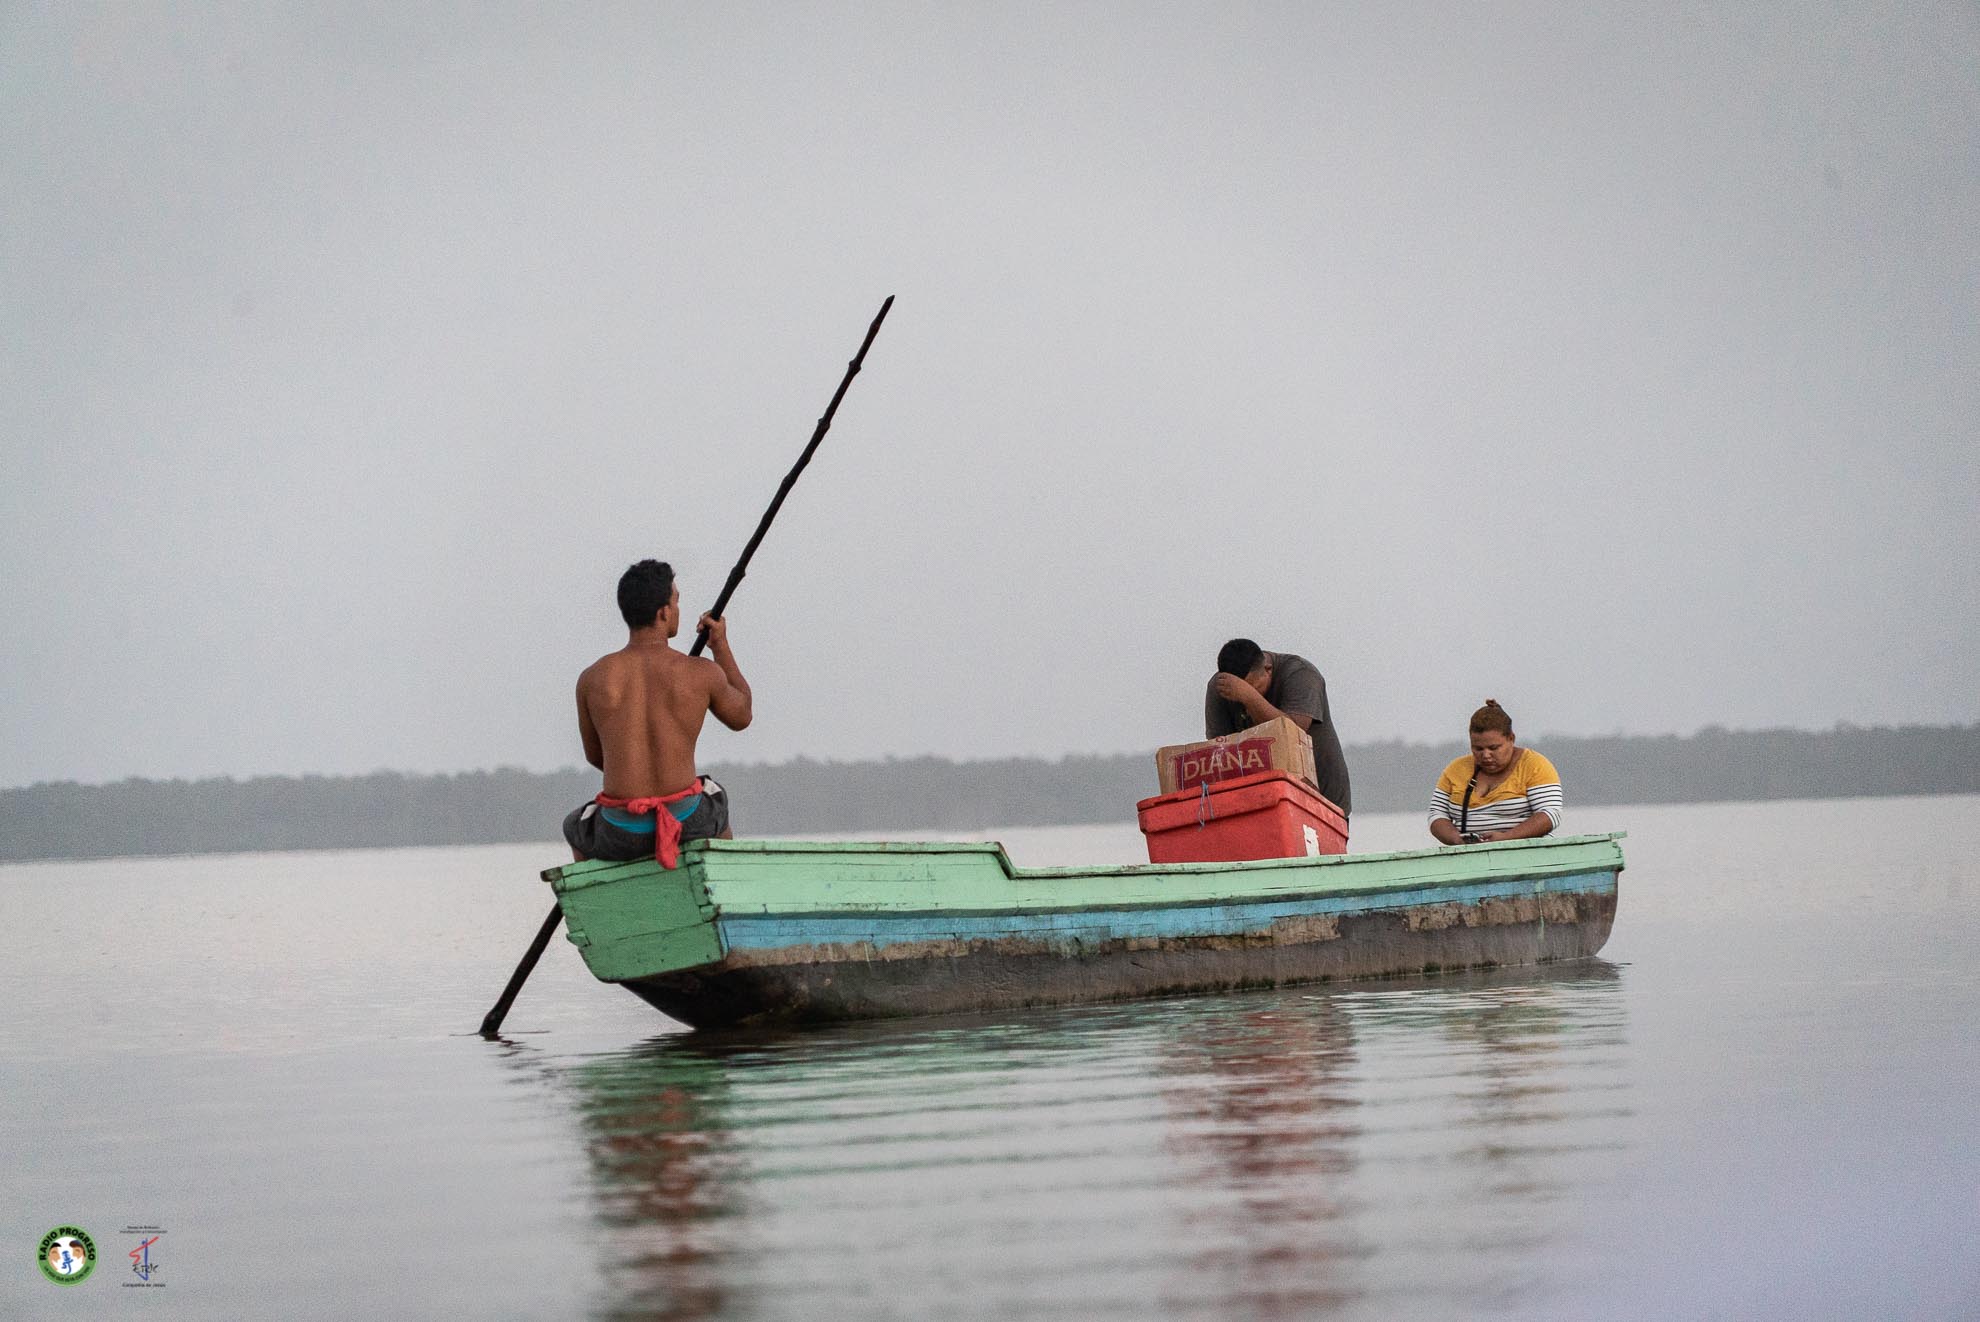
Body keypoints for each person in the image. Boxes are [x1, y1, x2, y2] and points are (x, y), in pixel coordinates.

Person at [562, 559, 752, 868]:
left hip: (620, 829)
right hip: (688, 820)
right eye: (676, 601)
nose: (677, 609)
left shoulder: (593, 678)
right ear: (664, 612)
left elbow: (596, 757)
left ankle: (601, 901)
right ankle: (723, 889)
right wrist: (720, 645)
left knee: (576, 826)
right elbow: (742, 714)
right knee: (717, 802)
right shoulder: (701, 673)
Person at [1204, 638, 1352, 814]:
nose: (1241, 702)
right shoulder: (1221, 688)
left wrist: (1249, 697)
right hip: (1260, 802)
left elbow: (1294, 730)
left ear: (1268, 669)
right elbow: (1219, 748)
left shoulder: (1302, 675)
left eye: (1254, 688)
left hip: (1324, 800)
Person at [1428, 700, 1563, 845]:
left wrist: (1506, 839)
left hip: (1526, 853)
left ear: (1511, 738)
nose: (1486, 755)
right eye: (1478, 749)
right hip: (1468, 856)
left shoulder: (1535, 765)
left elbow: (1550, 814)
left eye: (1493, 748)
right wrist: (1455, 839)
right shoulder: (1455, 769)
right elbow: (1436, 814)